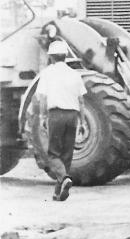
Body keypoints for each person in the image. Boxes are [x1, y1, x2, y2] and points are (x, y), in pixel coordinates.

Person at [33, 39, 85, 202]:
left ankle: (63, 179)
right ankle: (58, 192)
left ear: (51, 57)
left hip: (56, 116)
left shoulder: (47, 73)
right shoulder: (75, 74)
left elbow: (42, 98)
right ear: (66, 56)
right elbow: (81, 101)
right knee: (66, 154)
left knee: (53, 154)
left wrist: (42, 117)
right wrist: (82, 122)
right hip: (73, 116)